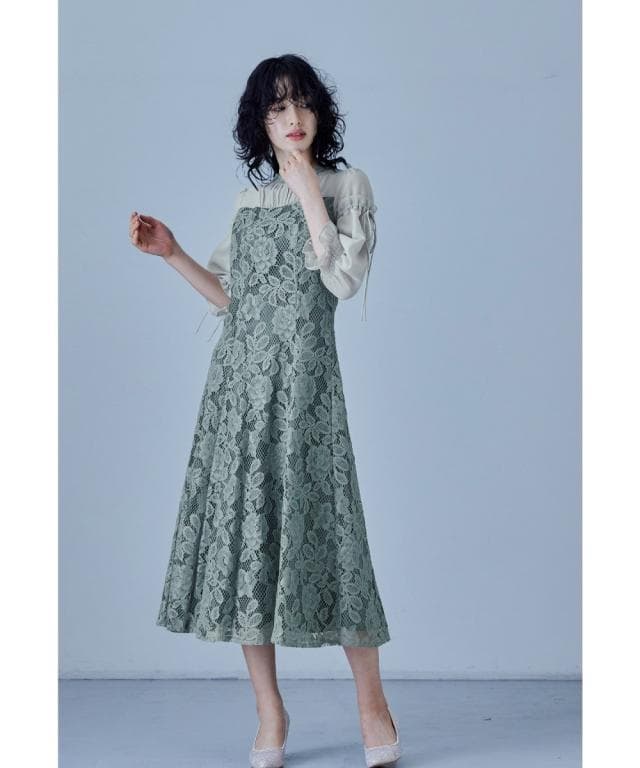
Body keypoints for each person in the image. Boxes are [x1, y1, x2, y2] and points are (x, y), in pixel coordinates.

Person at [129, 54, 402, 768]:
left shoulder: (347, 185)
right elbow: (233, 301)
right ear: (261, 121)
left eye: (302, 103)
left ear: (319, 113)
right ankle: (269, 712)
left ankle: (372, 705)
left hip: (308, 388)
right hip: (240, 389)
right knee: (248, 538)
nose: (293, 118)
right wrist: (172, 253)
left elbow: (342, 279)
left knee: (334, 533)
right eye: (278, 108)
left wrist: (307, 181)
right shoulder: (248, 206)